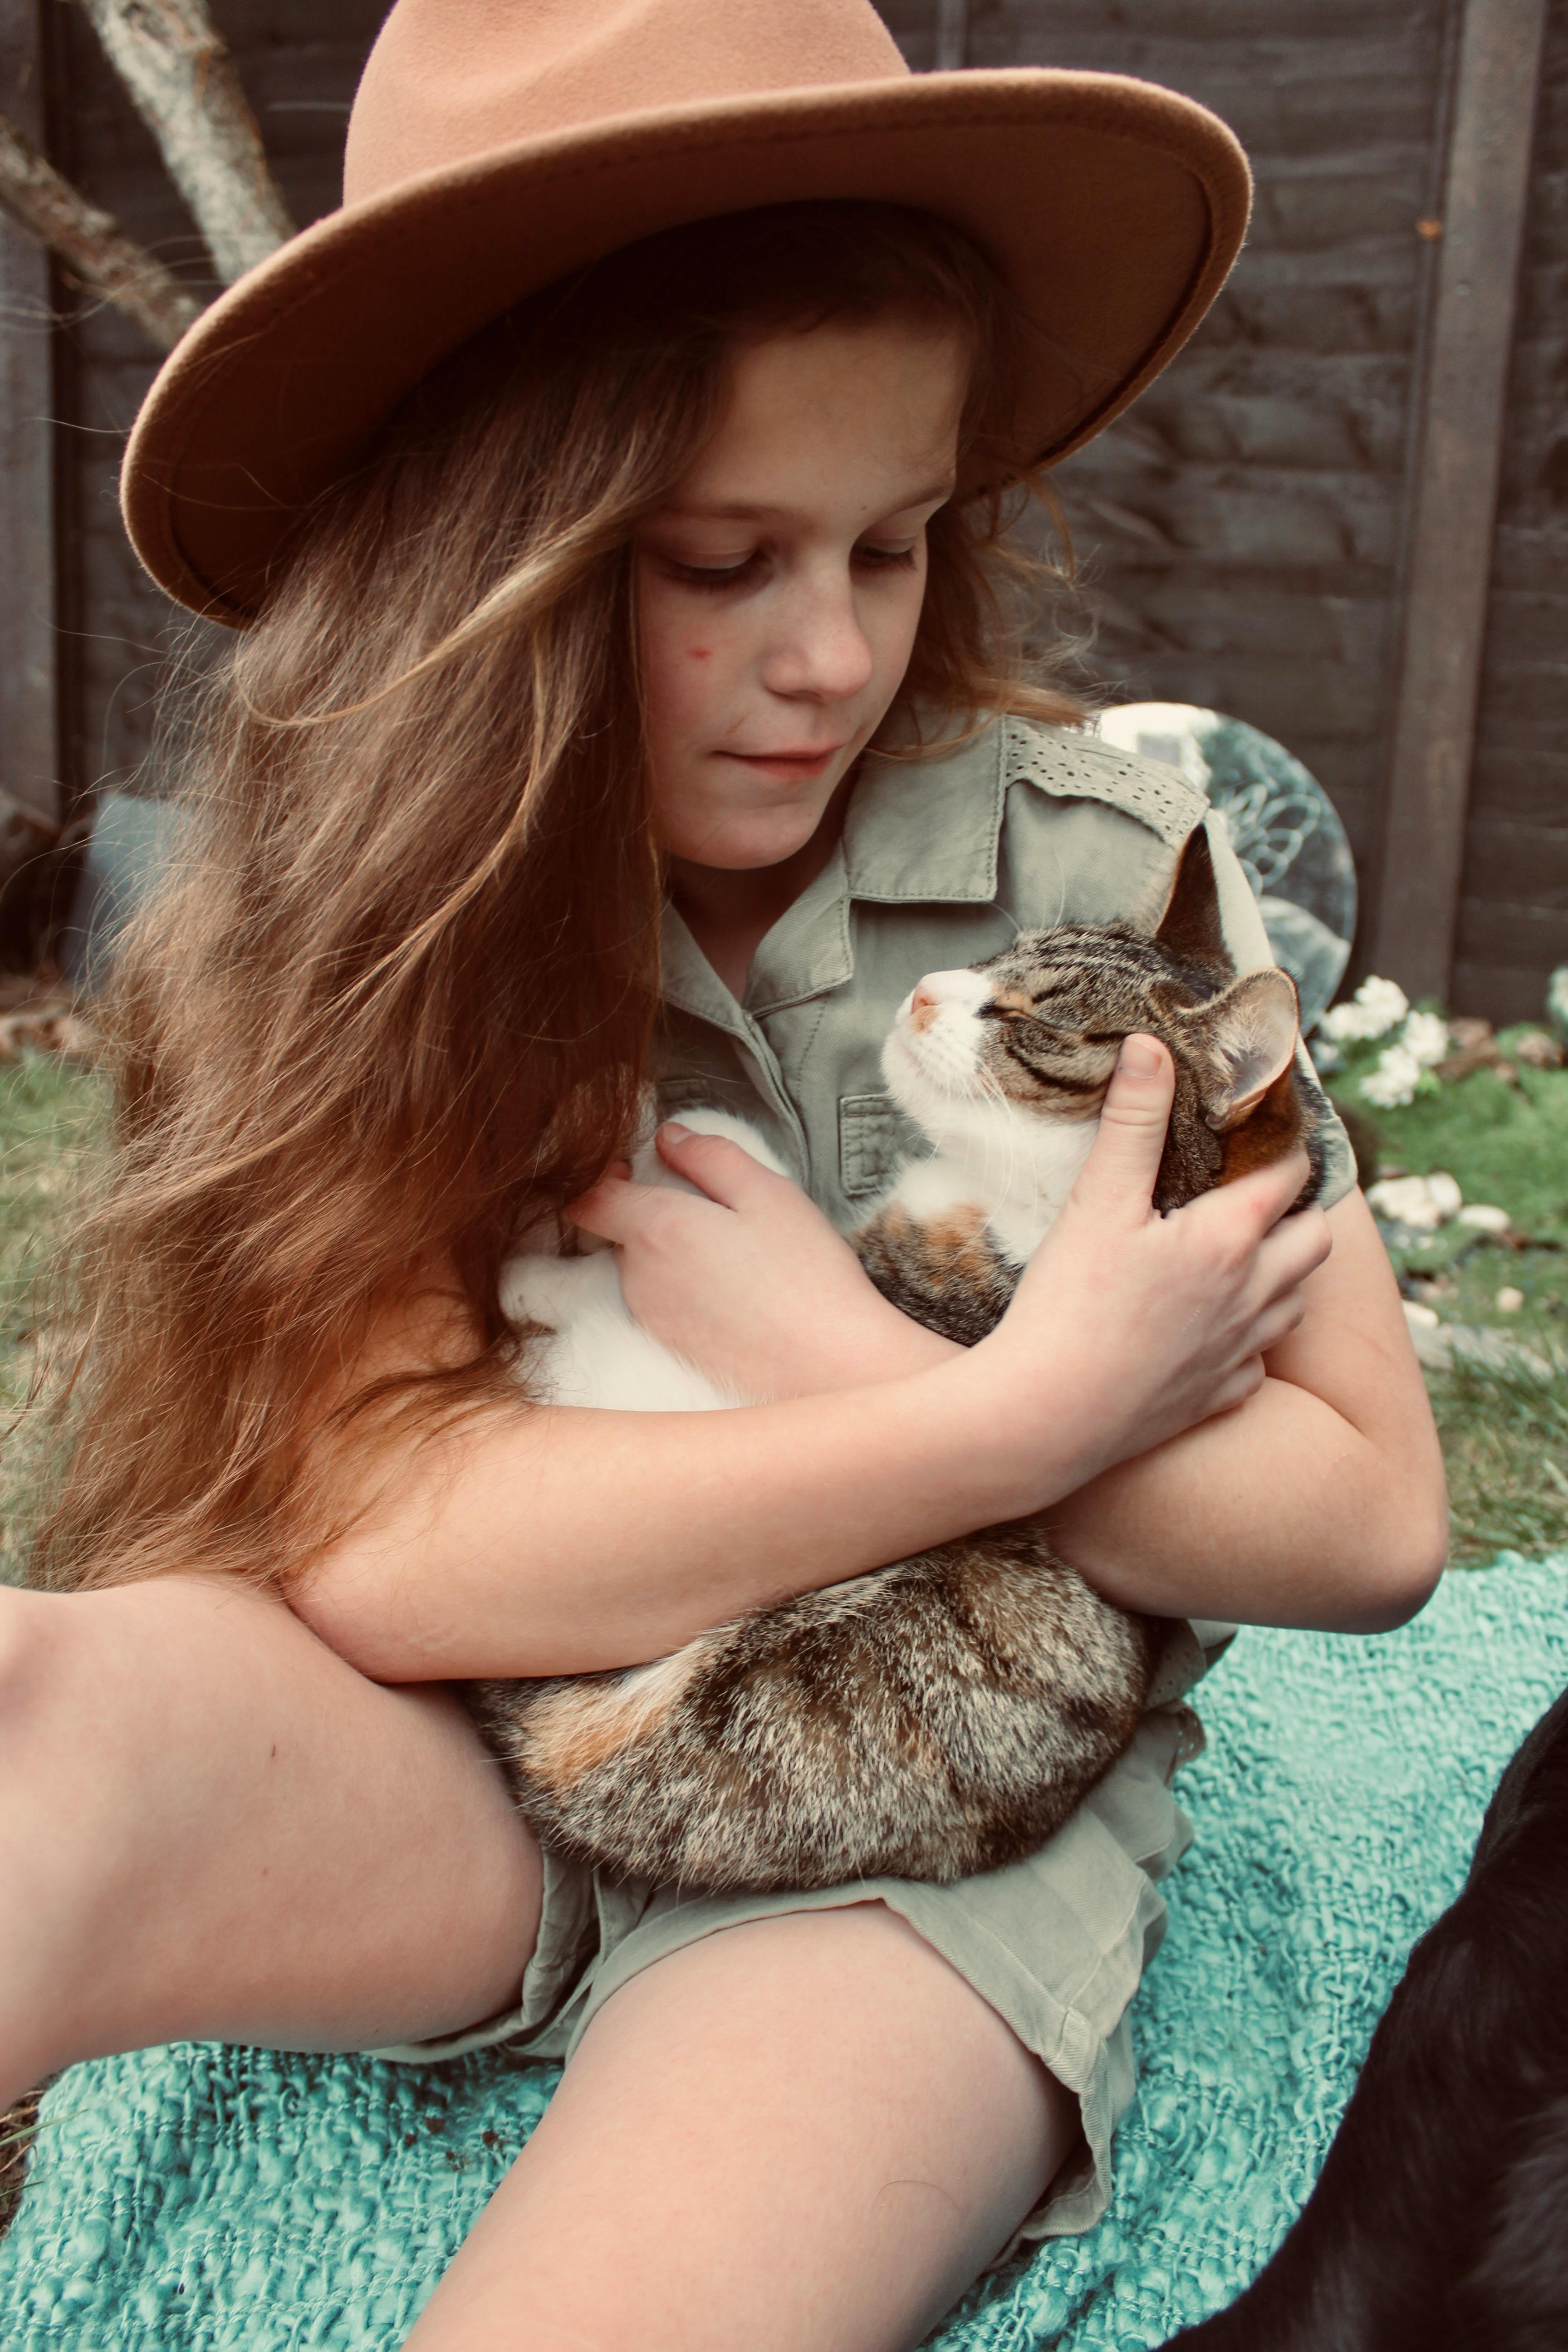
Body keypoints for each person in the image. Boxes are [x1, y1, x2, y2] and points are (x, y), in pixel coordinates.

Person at [0, 2, 1447, 2345]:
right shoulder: (341, 906)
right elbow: (380, 1548)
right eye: (719, 562)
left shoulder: (1131, 876)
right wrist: (990, 1417)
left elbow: (1373, 1519)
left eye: (893, 545)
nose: (831, 657)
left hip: (911, 1855)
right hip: (476, 1769)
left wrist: (841, 1357)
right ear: (485, 562)